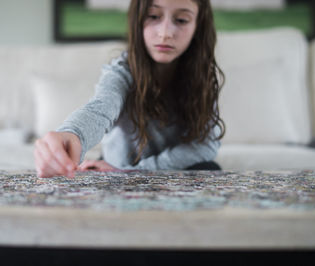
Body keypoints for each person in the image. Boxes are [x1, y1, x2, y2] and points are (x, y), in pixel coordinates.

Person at [34, 0, 225, 178]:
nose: (165, 32)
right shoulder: (120, 72)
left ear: (198, 27)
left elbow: (206, 145)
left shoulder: (203, 77)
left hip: (163, 171)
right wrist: (72, 134)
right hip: (117, 168)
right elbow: (100, 109)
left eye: (182, 20)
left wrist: (135, 171)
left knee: (210, 170)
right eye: (153, 16)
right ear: (138, 21)